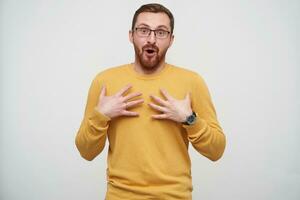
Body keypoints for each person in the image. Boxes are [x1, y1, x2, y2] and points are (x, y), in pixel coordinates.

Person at [75, 3, 226, 200]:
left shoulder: (192, 82)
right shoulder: (105, 81)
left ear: (171, 40)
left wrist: (189, 119)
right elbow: (86, 151)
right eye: (144, 30)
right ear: (131, 35)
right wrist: (100, 116)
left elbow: (216, 151)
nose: (151, 39)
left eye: (161, 32)